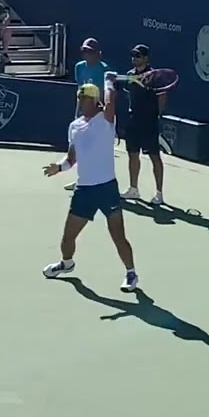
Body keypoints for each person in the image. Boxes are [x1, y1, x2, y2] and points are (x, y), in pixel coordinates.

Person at [41, 76, 139, 293]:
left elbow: (111, 99)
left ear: (95, 101)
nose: (80, 102)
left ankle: (131, 273)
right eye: (79, 98)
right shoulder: (74, 126)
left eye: (84, 98)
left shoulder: (106, 120)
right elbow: (71, 159)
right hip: (84, 190)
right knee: (68, 237)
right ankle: (67, 264)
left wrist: (109, 81)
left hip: (107, 189)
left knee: (117, 235)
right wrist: (59, 167)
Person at [120, 44, 166, 205]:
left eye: (138, 56)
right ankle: (134, 189)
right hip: (133, 120)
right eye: (133, 55)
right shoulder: (130, 75)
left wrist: (156, 115)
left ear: (146, 58)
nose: (134, 58)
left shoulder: (156, 77)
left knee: (154, 157)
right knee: (132, 154)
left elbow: (162, 98)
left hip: (149, 122)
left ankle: (159, 193)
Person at [64, 37, 111, 190]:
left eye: (90, 52)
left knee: (94, 147)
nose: (86, 54)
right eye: (84, 51)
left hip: (98, 114)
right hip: (82, 110)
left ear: (98, 54)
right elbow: (80, 89)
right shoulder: (79, 67)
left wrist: (102, 113)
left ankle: (100, 180)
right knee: (79, 146)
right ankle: (80, 178)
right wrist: (79, 110)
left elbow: (106, 94)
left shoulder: (104, 69)